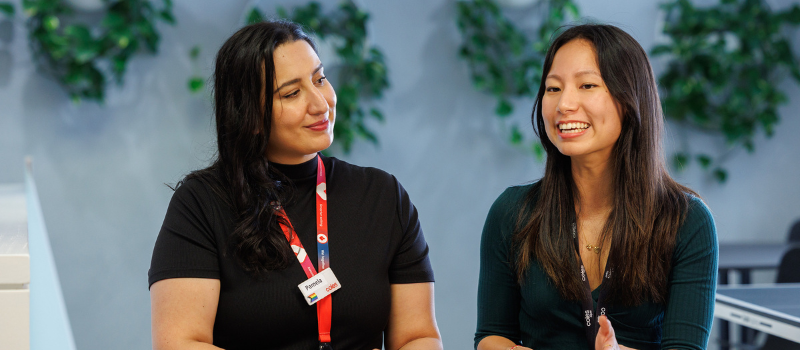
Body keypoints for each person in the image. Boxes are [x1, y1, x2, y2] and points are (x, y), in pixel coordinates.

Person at [149, 20, 442, 350]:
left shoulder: (382, 195)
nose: (320, 104)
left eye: (320, 79)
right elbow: (179, 342)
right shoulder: (201, 203)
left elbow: (420, 337)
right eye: (291, 93)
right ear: (250, 116)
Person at [475, 24, 717, 350]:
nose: (564, 104)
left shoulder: (686, 220)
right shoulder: (512, 211)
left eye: (587, 85)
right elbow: (490, 336)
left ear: (630, 99)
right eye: (552, 88)